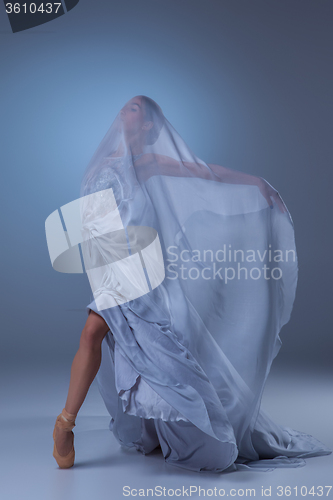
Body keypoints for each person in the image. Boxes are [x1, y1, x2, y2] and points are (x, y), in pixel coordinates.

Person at [52, 95, 331, 471]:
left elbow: (204, 172)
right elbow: (94, 229)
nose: (124, 110)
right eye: (125, 106)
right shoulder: (101, 165)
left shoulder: (145, 163)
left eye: (135, 109)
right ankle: (72, 425)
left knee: (101, 337)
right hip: (111, 269)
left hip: (141, 274)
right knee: (99, 337)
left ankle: (68, 426)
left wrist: (256, 184)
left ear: (149, 125)